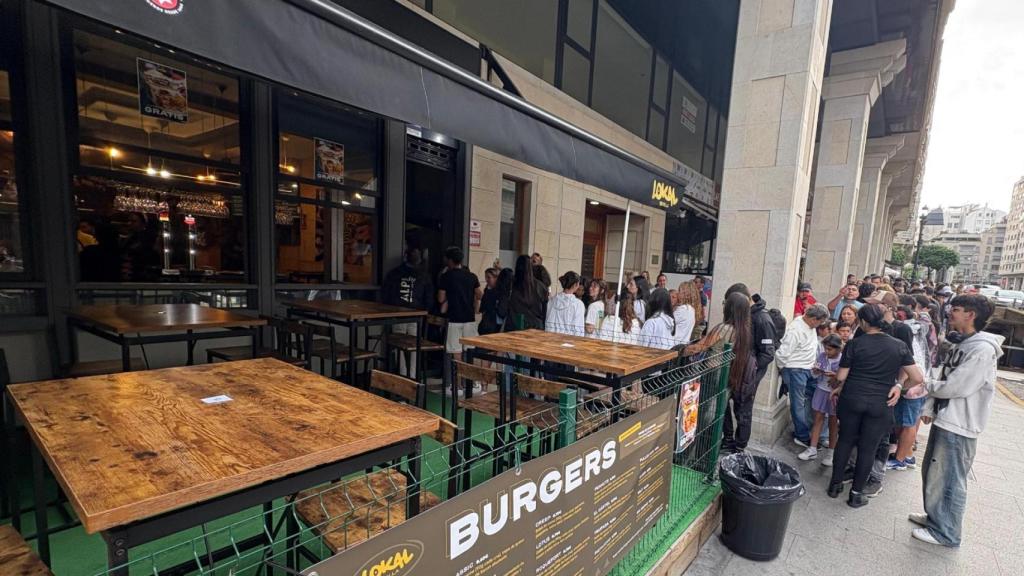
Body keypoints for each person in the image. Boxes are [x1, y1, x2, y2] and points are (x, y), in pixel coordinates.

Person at [909, 295, 1001, 546]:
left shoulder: (982, 349)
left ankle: (946, 532)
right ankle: (936, 517)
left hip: (959, 424)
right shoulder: (965, 343)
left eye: (956, 309)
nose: (950, 312)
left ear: (971, 315)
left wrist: (925, 386)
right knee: (934, 472)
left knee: (949, 478)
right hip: (946, 418)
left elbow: (957, 386)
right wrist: (930, 404)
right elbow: (946, 375)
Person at [827, 304, 923, 508]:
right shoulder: (899, 345)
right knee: (868, 448)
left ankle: (835, 486)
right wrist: (898, 387)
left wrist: (838, 385)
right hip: (881, 402)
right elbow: (917, 377)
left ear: (862, 322)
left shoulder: (855, 344)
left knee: (845, 440)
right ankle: (856, 494)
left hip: (852, 398)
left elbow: (841, 375)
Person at [685, 292, 755, 453]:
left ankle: (692, 455)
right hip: (727, 378)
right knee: (715, 417)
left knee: (702, 418)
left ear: (730, 308)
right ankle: (709, 455)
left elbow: (699, 347)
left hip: (712, 376)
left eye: (725, 303)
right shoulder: (744, 331)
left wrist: (679, 351)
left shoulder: (723, 328)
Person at [776, 303, 830, 447]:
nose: (820, 325)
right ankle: (802, 435)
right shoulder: (795, 330)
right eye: (820, 322)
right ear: (813, 319)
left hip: (808, 370)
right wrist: (783, 370)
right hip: (796, 370)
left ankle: (813, 430)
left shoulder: (808, 326)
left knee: (811, 399)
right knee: (798, 403)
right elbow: (782, 354)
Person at [383, 247, 433, 377]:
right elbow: (429, 298)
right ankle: (412, 376)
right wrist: (425, 312)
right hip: (416, 315)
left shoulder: (394, 273)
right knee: (414, 347)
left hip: (397, 315)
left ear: (405, 256)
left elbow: (386, 294)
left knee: (398, 346)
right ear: (420, 259)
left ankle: (402, 375)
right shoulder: (424, 275)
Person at [799, 334, 844, 465]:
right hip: (821, 389)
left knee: (833, 423)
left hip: (834, 394)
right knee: (817, 419)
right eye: (825, 348)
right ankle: (812, 448)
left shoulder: (843, 360)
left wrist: (836, 376)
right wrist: (816, 371)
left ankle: (831, 452)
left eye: (830, 349)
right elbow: (814, 373)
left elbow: (845, 377)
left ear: (838, 349)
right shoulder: (822, 356)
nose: (827, 352)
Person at [437, 247, 482, 360]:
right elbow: (480, 295)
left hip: (454, 319)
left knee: (456, 350)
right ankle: (468, 375)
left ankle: (458, 376)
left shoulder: (446, 276)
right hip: (469, 318)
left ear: (450, 260)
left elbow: (440, 299)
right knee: (470, 348)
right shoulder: (472, 276)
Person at [507, 254, 547, 331]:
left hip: (515, 326)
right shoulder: (540, 286)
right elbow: (544, 310)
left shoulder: (512, 284)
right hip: (536, 326)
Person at [546, 271, 585, 336]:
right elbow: (578, 329)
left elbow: (547, 322)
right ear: (576, 285)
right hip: (568, 342)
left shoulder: (552, 301)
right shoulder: (578, 304)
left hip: (550, 339)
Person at [479, 267, 512, 335]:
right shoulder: (487, 290)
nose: (486, 280)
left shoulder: (499, 291)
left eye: (489, 277)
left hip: (495, 323)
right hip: (489, 322)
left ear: (496, 278)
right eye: (486, 277)